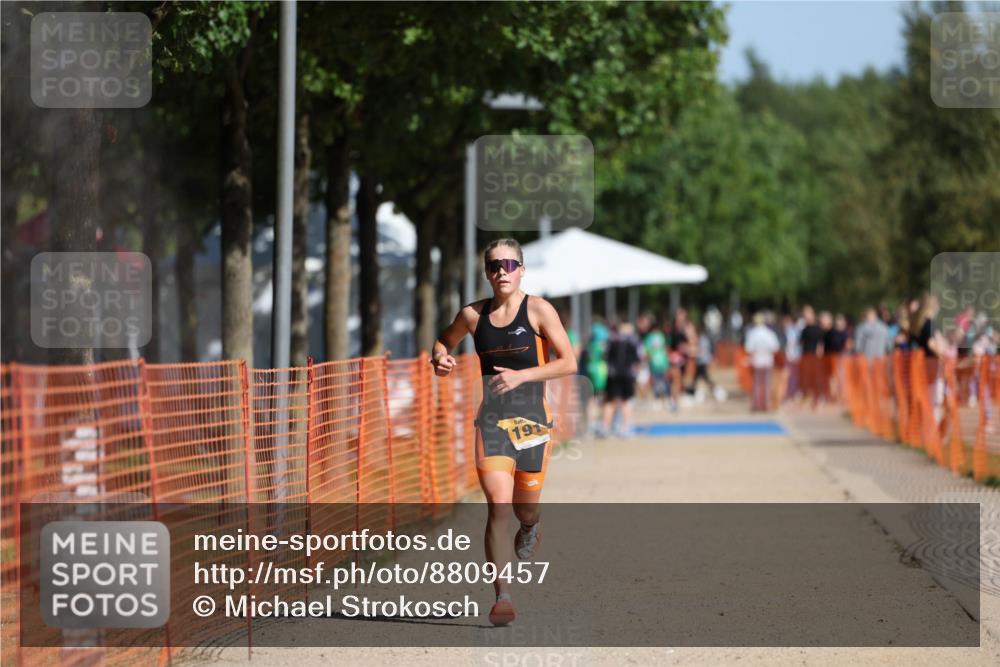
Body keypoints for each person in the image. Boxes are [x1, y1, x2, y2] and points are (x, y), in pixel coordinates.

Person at [431, 238, 576, 626]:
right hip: (492, 422)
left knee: (522, 507)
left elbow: (568, 362)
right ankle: (503, 596)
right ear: (486, 273)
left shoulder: (539, 310)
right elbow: (445, 340)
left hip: (532, 420)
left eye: (510, 265)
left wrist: (522, 376)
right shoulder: (472, 316)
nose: (502, 272)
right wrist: (439, 358)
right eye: (495, 266)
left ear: (522, 270)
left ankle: (531, 524)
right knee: (497, 504)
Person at [602, 321, 641, 436]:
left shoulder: (611, 340)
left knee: (610, 401)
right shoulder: (632, 342)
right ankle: (624, 428)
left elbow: (606, 357)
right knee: (625, 401)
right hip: (627, 375)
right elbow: (637, 359)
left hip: (613, 375)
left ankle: (605, 427)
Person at [744, 312, 781, 412]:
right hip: (767, 360)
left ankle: (757, 404)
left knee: (757, 383)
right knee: (766, 383)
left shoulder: (752, 333)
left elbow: (749, 348)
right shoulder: (769, 333)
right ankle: (765, 404)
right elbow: (775, 347)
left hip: (757, 361)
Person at [798, 306, 824, 408]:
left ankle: (816, 398)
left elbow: (821, 344)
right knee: (806, 378)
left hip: (815, 357)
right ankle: (807, 397)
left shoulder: (818, 329)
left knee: (815, 378)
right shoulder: (804, 329)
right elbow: (801, 342)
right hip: (805, 356)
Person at [642, 318, 671, 406]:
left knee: (655, 380)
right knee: (664, 380)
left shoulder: (649, 337)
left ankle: (657, 398)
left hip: (654, 362)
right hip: (662, 361)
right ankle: (666, 398)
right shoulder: (662, 336)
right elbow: (666, 349)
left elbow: (647, 351)